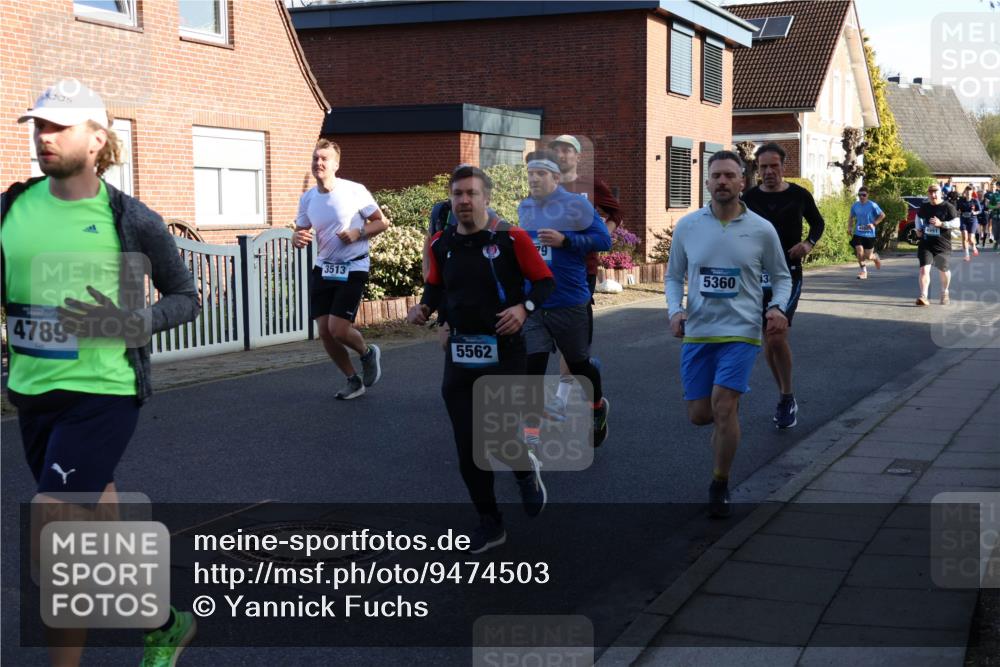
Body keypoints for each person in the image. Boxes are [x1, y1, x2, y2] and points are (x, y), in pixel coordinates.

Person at [1, 79, 201, 667]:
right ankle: (164, 623)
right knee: (101, 534)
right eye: (38, 126)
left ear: (97, 139)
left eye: (58, 127)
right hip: (32, 395)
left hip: (104, 392)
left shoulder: (130, 219)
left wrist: (132, 322)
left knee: (56, 532)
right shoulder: (11, 209)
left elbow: (186, 297)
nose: (44, 136)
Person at [406, 165, 554, 553]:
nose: (464, 200)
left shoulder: (510, 238)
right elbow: (436, 287)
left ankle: (524, 471)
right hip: (460, 353)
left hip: (504, 351)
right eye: (457, 194)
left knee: (499, 436)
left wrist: (523, 309)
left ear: (486, 198)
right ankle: (491, 523)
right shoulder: (441, 243)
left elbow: (544, 282)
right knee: (468, 445)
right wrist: (424, 308)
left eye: (472, 193)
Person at [666, 151, 791, 517]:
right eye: (716, 175)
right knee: (700, 415)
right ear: (707, 182)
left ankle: (719, 484)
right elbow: (673, 276)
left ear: (742, 183)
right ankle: (728, 418)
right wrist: (674, 310)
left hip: (742, 332)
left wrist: (777, 307)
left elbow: (781, 277)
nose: (722, 181)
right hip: (699, 332)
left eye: (729, 176)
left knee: (723, 406)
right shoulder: (688, 226)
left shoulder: (761, 229)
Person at [518, 150, 612, 447]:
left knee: (579, 365)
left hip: (569, 301)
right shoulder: (525, 207)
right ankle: (531, 435)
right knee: (532, 369)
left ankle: (597, 406)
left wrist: (566, 240)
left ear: (556, 177)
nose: (534, 178)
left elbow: (604, 240)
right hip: (535, 303)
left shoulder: (577, 205)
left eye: (541, 173)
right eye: (530, 174)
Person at [292, 139, 388, 399]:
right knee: (325, 332)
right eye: (315, 158)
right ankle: (353, 380)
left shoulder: (354, 191)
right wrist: (296, 238)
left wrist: (358, 232)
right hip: (324, 268)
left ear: (336, 164)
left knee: (339, 329)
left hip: (354, 266)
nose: (318, 163)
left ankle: (367, 353)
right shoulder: (308, 198)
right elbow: (300, 230)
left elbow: (381, 222)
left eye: (324, 159)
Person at [741, 143, 824, 430]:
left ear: (783, 167)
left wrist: (808, 244)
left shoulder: (799, 195)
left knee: (776, 334)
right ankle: (785, 395)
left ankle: (787, 398)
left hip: (787, 274)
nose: (768, 172)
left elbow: (818, 223)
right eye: (763, 167)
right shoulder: (749, 198)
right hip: (755, 276)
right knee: (769, 337)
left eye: (773, 166)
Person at [545, 134, 623, 422]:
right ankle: (582, 372)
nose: (562, 155)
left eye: (568, 150)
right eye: (557, 150)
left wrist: (598, 237)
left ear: (578, 156)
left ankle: (562, 398)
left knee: (570, 335)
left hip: (582, 269)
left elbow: (616, 212)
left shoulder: (591, 186)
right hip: (550, 270)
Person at [914, 184, 961, 306]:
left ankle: (945, 292)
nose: (933, 195)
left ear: (941, 193)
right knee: (924, 269)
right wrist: (918, 229)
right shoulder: (925, 206)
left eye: (935, 192)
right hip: (926, 243)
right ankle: (923, 296)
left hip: (942, 245)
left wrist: (942, 224)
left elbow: (957, 222)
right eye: (931, 193)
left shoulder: (948, 207)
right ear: (928, 194)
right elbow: (918, 216)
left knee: (943, 269)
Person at [848, 187, 884, 279]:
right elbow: (851, 217)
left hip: (869, 234)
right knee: (859, 253)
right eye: (859, 195)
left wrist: (874, 224)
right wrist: (850, 227)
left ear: (867, 195)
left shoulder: (872, 205)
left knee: (869, 256)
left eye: (864, 195)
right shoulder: (855, 205)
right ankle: (864, 272)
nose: (861, 197)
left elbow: (882, 215)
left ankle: (875, 257)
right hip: (858, 233)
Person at [956, 187, 982, 262]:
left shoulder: (975, 200)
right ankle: (967, 255)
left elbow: (980, 210)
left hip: (972, 220)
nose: (968, 194)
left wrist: (975, 212)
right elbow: (957, 209)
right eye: (967, 192)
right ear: (965, 192)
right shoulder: (961, 200)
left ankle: (974, 246)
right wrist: (958, 212)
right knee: (965, 237)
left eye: (969, 192)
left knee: (970, 238)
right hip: (963, 219)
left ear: (971, 193)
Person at [986, 182, 1000, 250]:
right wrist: (995, 207)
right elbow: (988, 205)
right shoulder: (994, 195)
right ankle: (997, 241)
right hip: (995, 216)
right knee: (996, 232)